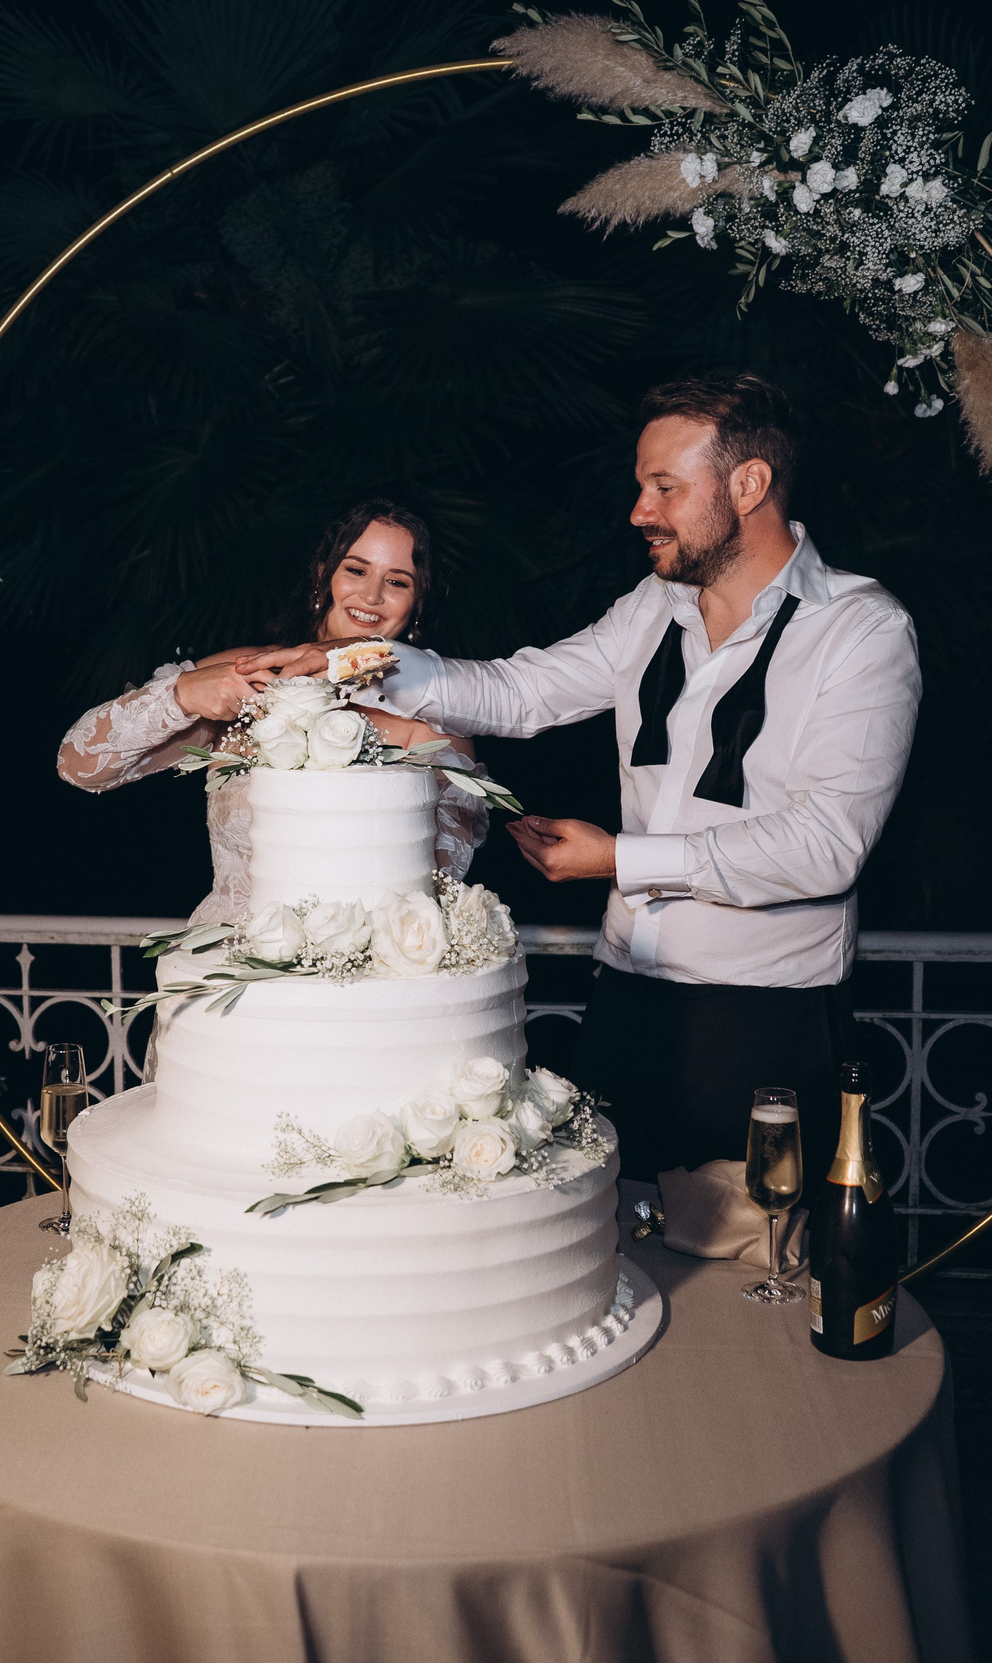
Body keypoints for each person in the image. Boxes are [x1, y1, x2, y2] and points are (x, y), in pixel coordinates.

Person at [238, 376, 920, 1192]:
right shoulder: (651, 608)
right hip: (625, 1002)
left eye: (665, 487)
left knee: (756, 1277)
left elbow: (825, 849)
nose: (640, 509)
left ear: (749, 486)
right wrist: (356, 662)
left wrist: (619, 860)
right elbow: (520, 693)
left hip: (765, 1020)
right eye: (642, 486)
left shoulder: (863, 631)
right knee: (611, 1261)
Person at [56, 498, 488, 924]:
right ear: (324, 576)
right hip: (229, 968)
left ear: (418, 600)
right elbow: (81, 767)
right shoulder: (246, 673)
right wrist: (182, 695)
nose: (372, 596)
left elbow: (436, 892)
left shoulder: (430, 723)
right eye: (356, 570)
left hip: (364, 984)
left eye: (398, 582)